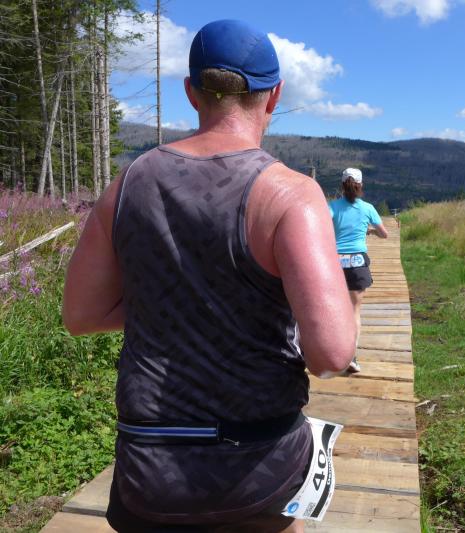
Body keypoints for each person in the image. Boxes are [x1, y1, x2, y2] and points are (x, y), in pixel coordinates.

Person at [62, 19, 356, 533]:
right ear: (275, 95)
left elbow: (81, 315)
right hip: (258, 467)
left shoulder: (128, 183)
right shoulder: (290, 194)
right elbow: (331, 354)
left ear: (191, 92)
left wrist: (176, 305)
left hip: (148, 470)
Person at [329, 168, 389, 373]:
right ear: (360, 185)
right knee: (354, 311)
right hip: (357, 263)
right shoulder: (368, 208)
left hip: (335, 264)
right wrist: (370, 231)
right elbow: (384, 234)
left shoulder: (332, 207)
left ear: (342, 185)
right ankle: (351, 357)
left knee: (336, 310)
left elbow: (321, 227)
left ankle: (331, 352)